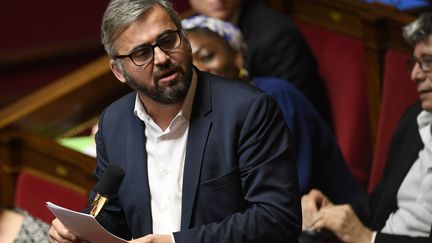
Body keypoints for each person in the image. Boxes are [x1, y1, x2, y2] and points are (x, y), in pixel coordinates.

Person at [48, 0, 301, 242]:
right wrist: (78, 230)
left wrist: (174, 242)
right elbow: (112, 215)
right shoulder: (114, 123)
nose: (161, 58)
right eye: (141, 53)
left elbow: (277, 219)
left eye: (168, 40)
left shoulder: (247, 110)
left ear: (186, 39)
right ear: (118, 71)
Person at [181, 14, 362, 203]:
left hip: (321, 212)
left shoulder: (275, 96)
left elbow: (291, 186)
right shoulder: (200, 109)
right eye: (189, 64)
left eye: (207, 56)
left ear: (238, 57)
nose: (198, 70)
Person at [301, 12, 432, 243]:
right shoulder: (415, 118)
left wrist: (368, 239)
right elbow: (378, 203)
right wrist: (331, 213)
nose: (415, 75)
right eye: (414, 63)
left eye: (428, 62)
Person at [188, 0, 332, 126]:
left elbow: (289, 112)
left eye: (207, 56)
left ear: (238, 57)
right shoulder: (188, 26)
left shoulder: (275, 37)